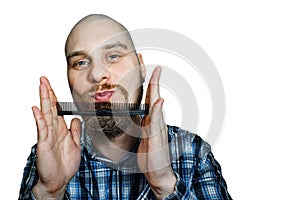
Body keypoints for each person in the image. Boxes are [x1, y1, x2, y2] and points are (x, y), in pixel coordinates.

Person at [19, 14, 232, 200]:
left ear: (140, 67)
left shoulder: (192, 152)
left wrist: (165, 184)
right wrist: (49, 193)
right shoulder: (48, 156)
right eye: (81, 63)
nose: (96, 75)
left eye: (113, 56)